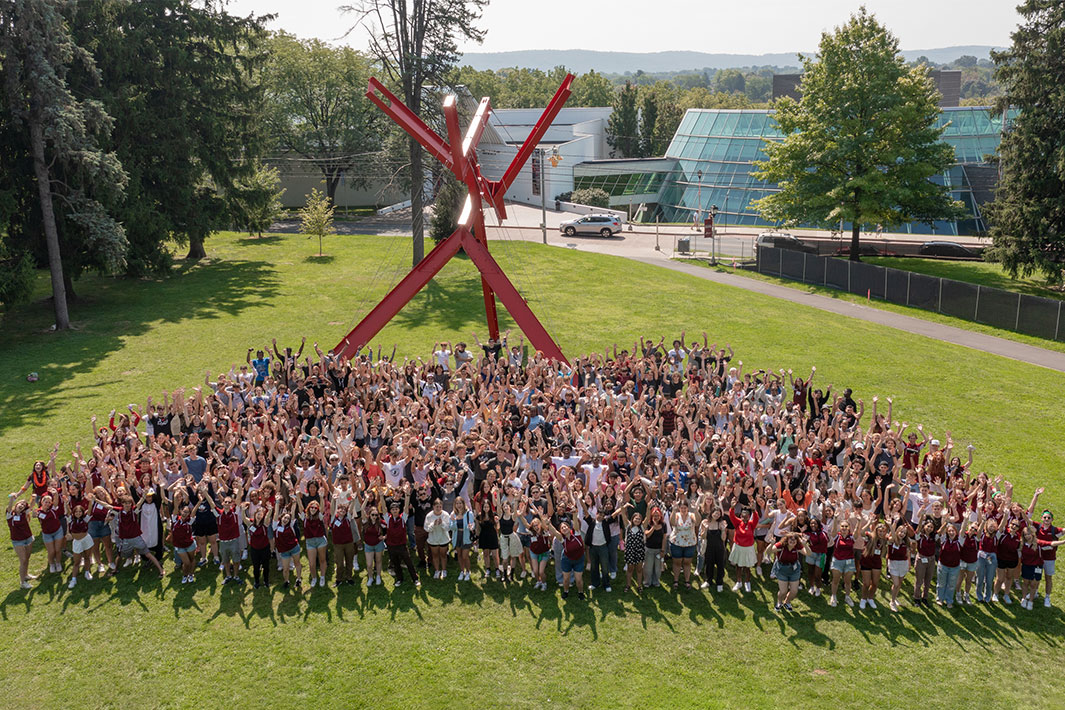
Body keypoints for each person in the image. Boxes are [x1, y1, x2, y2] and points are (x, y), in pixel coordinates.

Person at [543, 512, 585, 600]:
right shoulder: (562, 539)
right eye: (562, 528)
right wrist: (548, 523)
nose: (564, 528)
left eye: (565, 526)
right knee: (566, 579)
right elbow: (554, 531)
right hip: (567, 559)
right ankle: (566, 591)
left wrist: (574, 512)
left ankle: (580, 592)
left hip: (579, 560)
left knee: (578, 580)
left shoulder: (576, 533)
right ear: (561, 531)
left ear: (569, 528)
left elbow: (576, 523)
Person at [385, 483, 420, 588]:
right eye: (393, 509)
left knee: (409, 562)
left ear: (398, 510)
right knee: (396, 564)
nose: (395, 511)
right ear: (390, 511)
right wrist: (382, 497)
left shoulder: (403, 518)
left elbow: (406, 508)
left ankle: (415, 579)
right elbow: (383, 506)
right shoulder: (388, 519)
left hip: (402, 545)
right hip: (391, 546)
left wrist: (408, 495)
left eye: (396, 509)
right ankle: (399, 579)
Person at [772, 532, 811, 611]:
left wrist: (805, 545)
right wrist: (771, 544)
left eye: (795, 540)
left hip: (794, 570)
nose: (793, 541)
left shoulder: (797, 547)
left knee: (794, 591)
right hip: (782, 569)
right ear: (787, 540)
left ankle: (787, 602)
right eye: (791, 539)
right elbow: (771, 550)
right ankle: (779, 602)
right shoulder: (782, 545)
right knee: (783, 591)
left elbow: (808, 553)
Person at [669, 498, 699, 591]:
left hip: (690, 543)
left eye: (685, 508)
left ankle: (687, 581)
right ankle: (676, 580)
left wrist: (696, 510)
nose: (683, 509)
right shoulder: (676, 515)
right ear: (679, 508)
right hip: (676, 542)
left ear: (688, 508)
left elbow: (698, 522)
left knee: (687, 562)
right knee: (677, 562)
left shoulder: (692, 515)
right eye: (681, 508)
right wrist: (673, 510)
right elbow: (672, 523)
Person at [728, 504, 759, 593]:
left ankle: (747, 582)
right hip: (738, 547)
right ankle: (739, 582)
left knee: (747, 567)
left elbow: (756, 519)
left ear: (749, 517)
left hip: (748, 548)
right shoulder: (738, 523)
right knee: (738, 566)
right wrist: (732, 507)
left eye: (746, 516)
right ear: (740, 516)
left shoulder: (751, 524)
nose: (744, 517)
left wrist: (754, 510)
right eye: (742, 515)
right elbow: (732, 516)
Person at [7, 495, 36, 588]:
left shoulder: (24, 514)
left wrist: (34, 498)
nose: (22, 505)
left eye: (24, 505)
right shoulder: (10, 515)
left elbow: (31, 507)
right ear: (16, 504)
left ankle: (26, 575)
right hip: (17, 541)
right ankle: (23, 582)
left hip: (28, 538)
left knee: (27, 558)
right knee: (23, 560)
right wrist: (11, 498)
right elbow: (9, 506)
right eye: (21, 503)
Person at [242, 502, 272, 589]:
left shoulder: (265, 524)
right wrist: (243, 511)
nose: (259, 516)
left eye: (261, 515)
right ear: (255, 515)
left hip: (265, 548)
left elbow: (268, 517)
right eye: (258, 514)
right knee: (256, 567)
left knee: (266, 566)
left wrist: (270, 510)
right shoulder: (250, 523)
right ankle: (257, 582)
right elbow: (244, 519)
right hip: (255, 549)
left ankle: (266, 581)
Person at [330, 501, 357, 586]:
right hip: (338, 545)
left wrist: (353, 500)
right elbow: (332, 509)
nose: (342, 510)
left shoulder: (348, 518)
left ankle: (349, 577)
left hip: (349, 543)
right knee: (339, 563)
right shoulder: (333, 518)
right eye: (340, 509)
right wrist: (334, 500)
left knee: (349, 561)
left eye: (344, 509)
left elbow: (351, 508)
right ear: (337, 510)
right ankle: (339, 579)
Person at [424, 497, 452, 580]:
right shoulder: (429, 516)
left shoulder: (446, 515)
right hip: (433, 540)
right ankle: (437, 570)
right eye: (437, 507)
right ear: (433, 507)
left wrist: (442, 523)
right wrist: (434, 524)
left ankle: (444, 570)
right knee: (435, 555)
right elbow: (426, 528)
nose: (438, 508)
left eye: (440, 507)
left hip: (443, 539)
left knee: (443, 555)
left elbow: (448, 528)